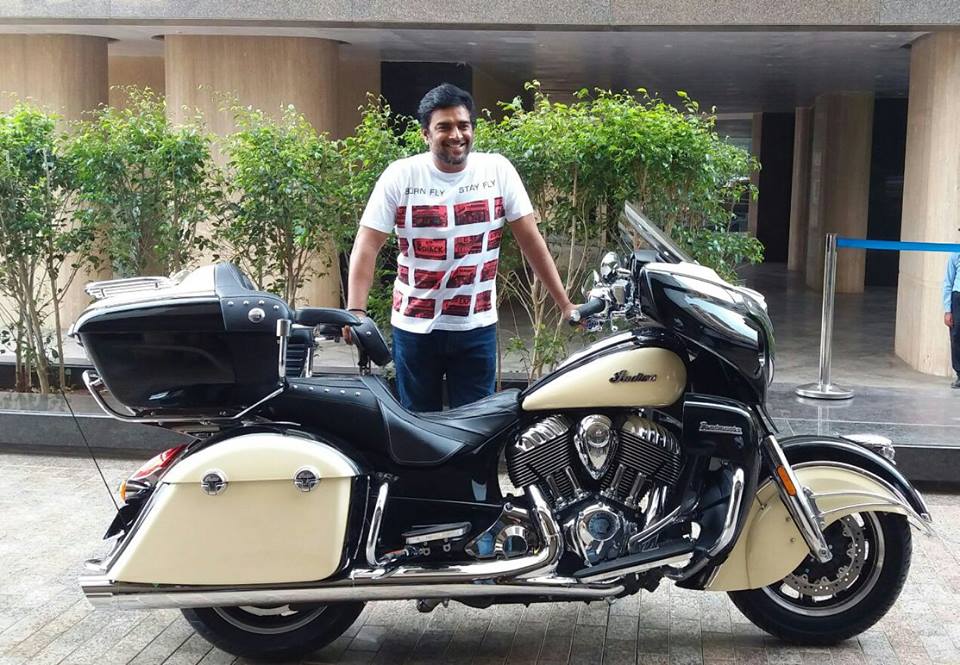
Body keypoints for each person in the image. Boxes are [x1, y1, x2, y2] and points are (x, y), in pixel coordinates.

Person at [346, 83, 575, 412]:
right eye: (444, 127)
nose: (456, 135)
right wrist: (356, 312)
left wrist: (564, 303)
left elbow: (530, 240)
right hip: (414, 328)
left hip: (475, 328)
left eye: (463, 125)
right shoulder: (400, 176)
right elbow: (367, 245)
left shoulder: (497, 171)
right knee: (416, 426)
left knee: (475, 429)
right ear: (426, 134)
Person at [944, 250, 960, 388]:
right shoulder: (955, 255)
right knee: (956, 335)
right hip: (958, 298)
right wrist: (947, 310)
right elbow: (948, 282)